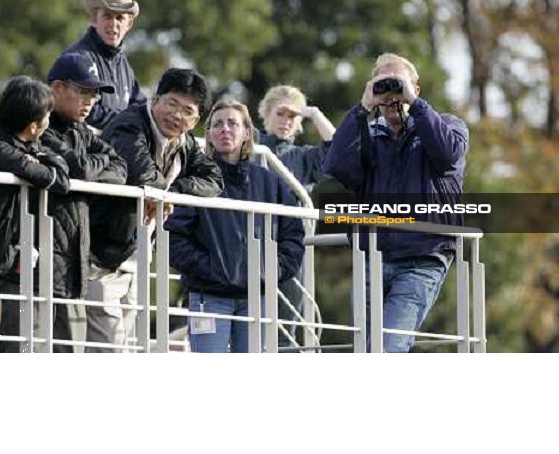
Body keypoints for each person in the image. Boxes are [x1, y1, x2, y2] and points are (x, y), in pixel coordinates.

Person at [324, 53, 469, 353]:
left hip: (422, 259)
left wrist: (413, 104)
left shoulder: (447, 126)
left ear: (416, 88)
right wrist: (362, 108)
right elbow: (336, 164)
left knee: (388, 348)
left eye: (398, 83)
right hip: (371, 259)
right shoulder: (370, 136)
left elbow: (447, 154)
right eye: (383, 86)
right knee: (365, 351)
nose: (392, 95)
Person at [87, 68, 224, 352]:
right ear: (154, 100)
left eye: (187, 110)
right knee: (107, 346)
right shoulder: (129, 125)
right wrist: (159, 191)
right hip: (101, 255)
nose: (177, 115)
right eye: (172, 104)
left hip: (137, 254)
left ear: (196, 120)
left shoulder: (184, 143)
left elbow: (214, 179)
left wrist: (170, 194)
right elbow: (144, 174)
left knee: (124, 345)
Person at [0, 55, 129, 352]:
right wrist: (94, 167)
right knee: (18, 352)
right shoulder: (35, 127)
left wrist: (93, 167)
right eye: (84, 92)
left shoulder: (81, 131)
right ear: (56, 87)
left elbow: (121, 168)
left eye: (95, 94)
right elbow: (80, 169)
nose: (92, 101)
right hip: (25, 266)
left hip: (69, 269)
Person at [166, 100, 305, 353]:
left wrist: (269, 271)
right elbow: (172, 237)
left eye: (233, 123)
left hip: (256, 299)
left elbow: (293, 235)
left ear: (247, 132)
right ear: (208, 134)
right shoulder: (192, 180)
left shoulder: (270, 183)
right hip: (208, 297)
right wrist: (210, 269)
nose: (225, 129)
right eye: (217, 124)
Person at [0, 77, 70, 353]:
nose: (48, 123)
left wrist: (42, 157)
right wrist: (41, 161)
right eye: (46, 118)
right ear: (33, 126)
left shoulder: (14, 142)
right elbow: (56, 179)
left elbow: (59, 173)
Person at [257, 85, 335, 348]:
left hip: (290, 254)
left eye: (293, 116)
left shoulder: (304, 157)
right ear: (265, 114)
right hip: (249, 246)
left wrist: (312, 112)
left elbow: (337, 150)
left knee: (284, 329)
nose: (286, 121)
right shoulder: (249, 145)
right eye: (280, 113)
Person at [60, 0, 146, 130]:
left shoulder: (123, 64)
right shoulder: (78, 59)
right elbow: (85, 111)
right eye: (107, 16)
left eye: (119, 18)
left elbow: (139, 105)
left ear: (129, 24)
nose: (113, 24)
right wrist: (129, 122)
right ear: (94, 20)